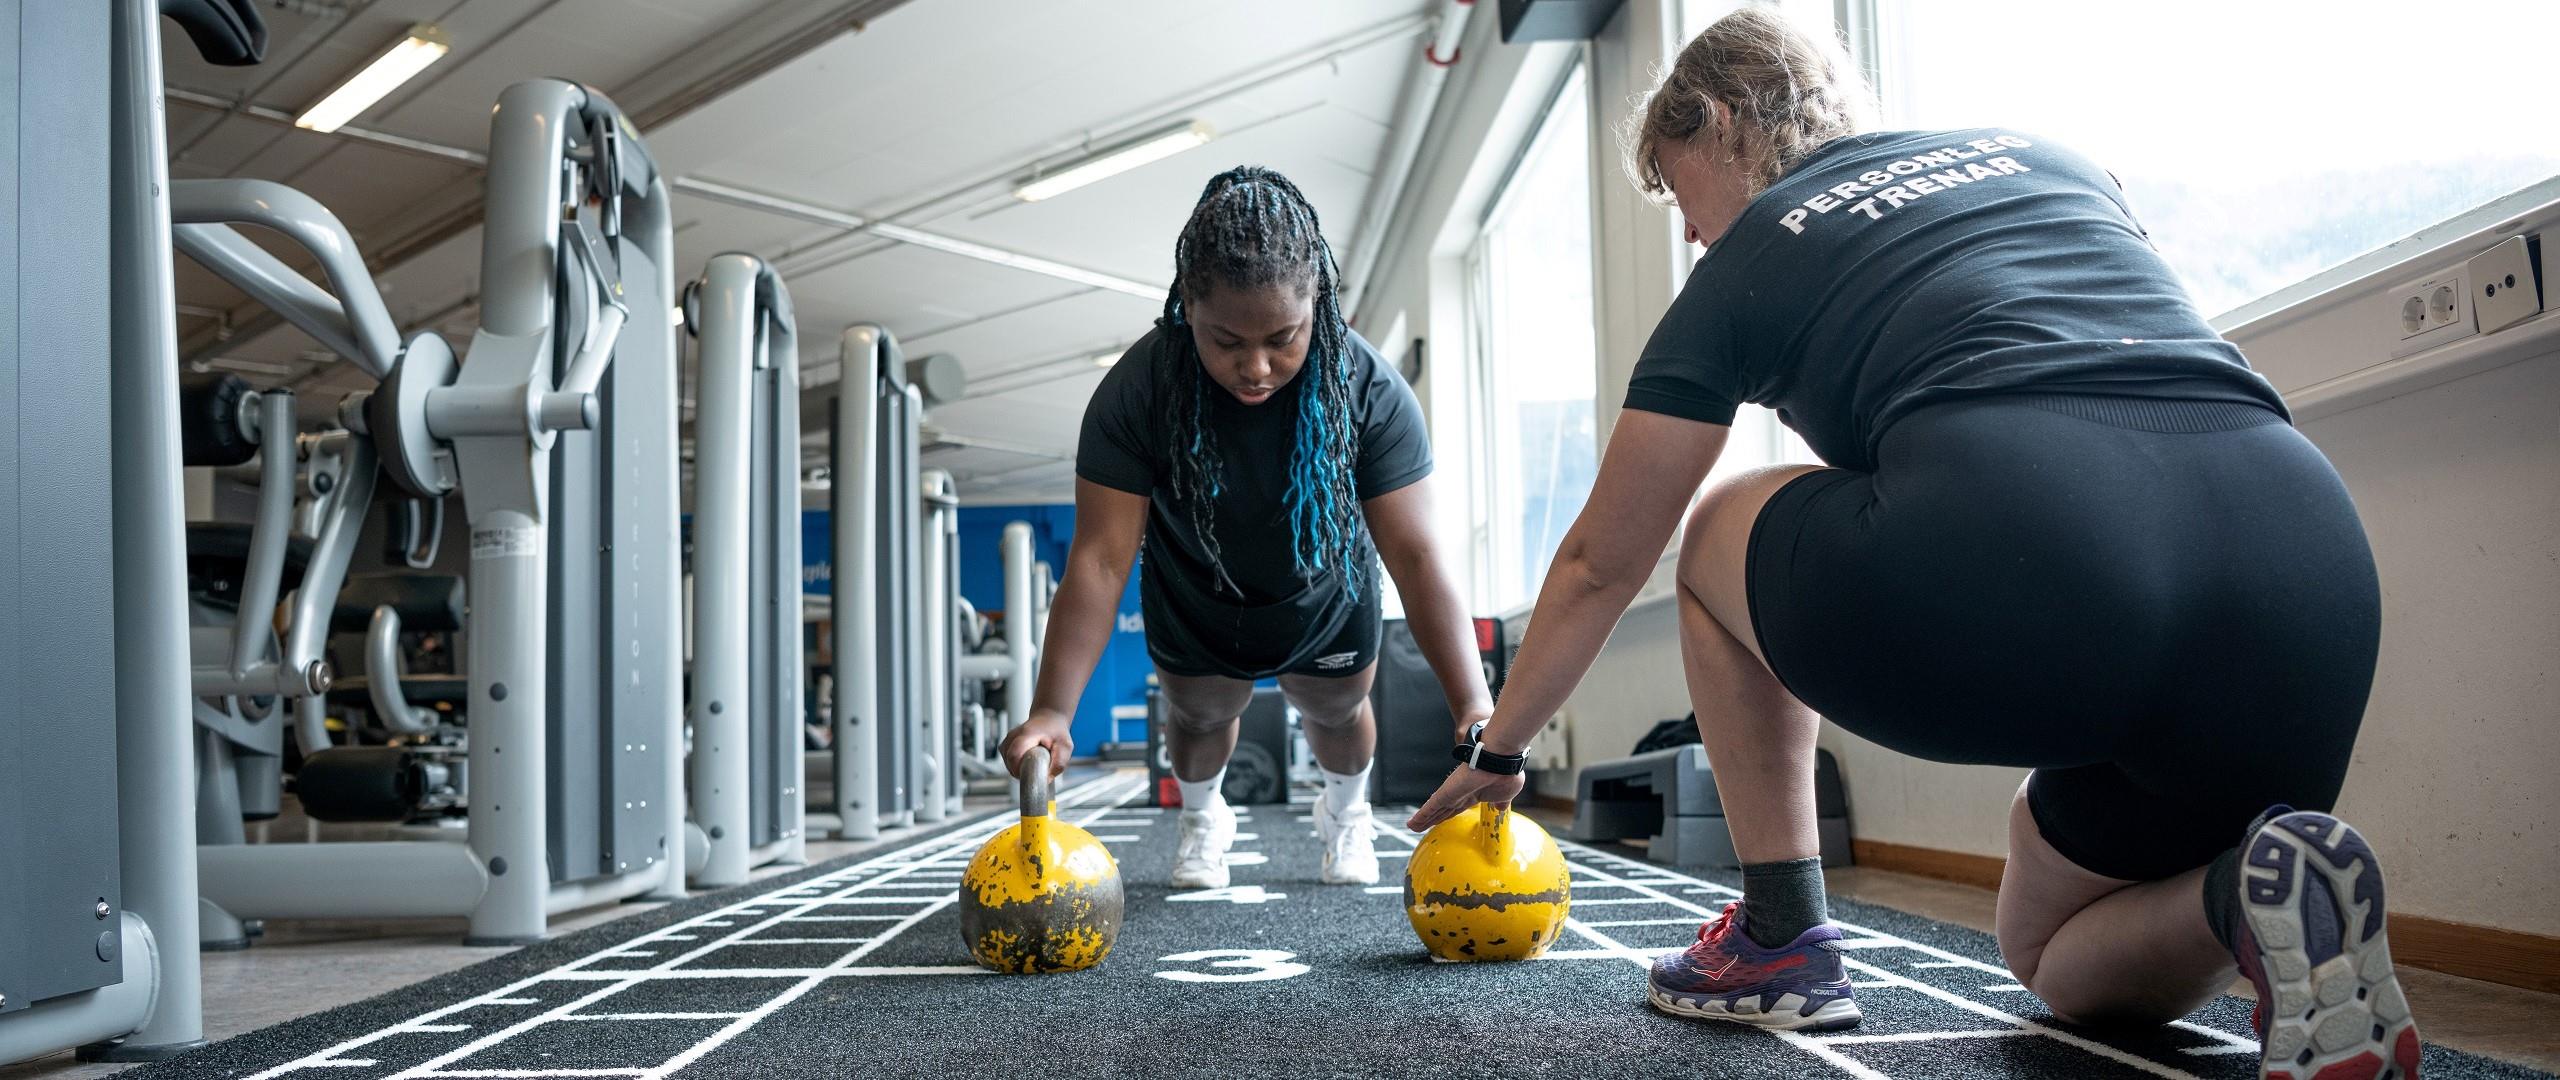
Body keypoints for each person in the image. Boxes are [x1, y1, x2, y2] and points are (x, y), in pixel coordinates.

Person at [1406, 10, 2418, 1077]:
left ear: (1715, 121)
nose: (1692, 234)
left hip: (2053, 538)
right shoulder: (2049, 155)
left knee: (1706, 538)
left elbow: (1600, 563)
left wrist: (1499, 753)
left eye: (1675, 189)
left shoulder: (1751, 252)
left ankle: (1779, 940)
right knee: (2052, 958)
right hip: (2307, 574)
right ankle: (2254, 892)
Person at [1004, 166, 1492, 890]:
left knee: (1337, 708)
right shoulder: (1139, 391)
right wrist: (1052, 709)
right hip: (1196, 589)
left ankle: (1346, 811)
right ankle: (1203, 818)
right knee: (1201, 716)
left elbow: (1417, 555)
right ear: (1187, 305)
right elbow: (1101, 559)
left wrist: (1472, 703)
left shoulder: (1368, 390)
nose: (1256, 367)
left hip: (1326, 587)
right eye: (1226, 340)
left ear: (1316, 302)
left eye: (1282, 338)